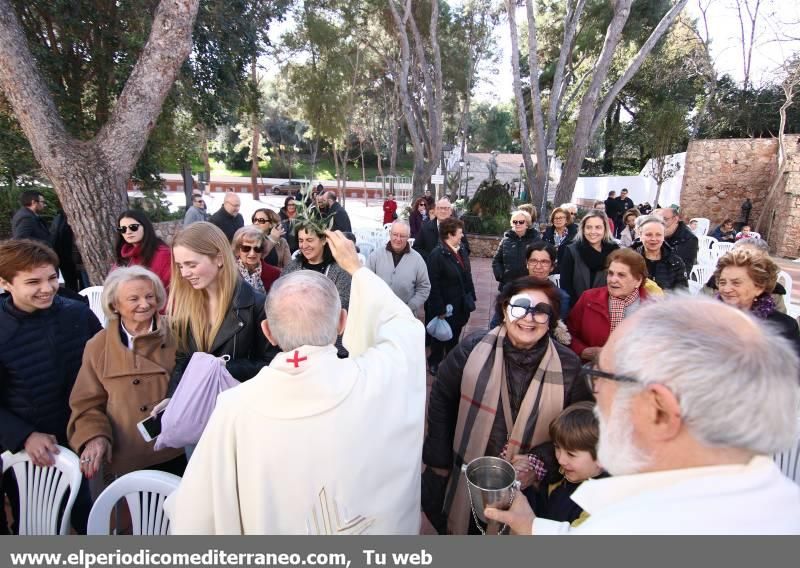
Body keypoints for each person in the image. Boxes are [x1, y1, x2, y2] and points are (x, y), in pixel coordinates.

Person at [166, 231, 426, 534]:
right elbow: (405, 328)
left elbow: (194, 514)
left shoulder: (234, 408)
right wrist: (357, 268)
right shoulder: (378, 378)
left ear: (268, 332)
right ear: (342, 321)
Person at [485, 296, 800, 534]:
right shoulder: (781, 506)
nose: (595, 396)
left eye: (601, 378)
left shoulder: (638, 525)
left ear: (659, 411)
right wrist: (535, 527)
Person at [422, 276, 592, 534]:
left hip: (528, 493)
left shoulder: (569, 367)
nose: (529, 318)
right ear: (504, 309)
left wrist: (539, 462)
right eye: (520, 306)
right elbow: (442, 401)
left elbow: (580, 428)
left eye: (541, 311)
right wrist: (439, 463)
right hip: (466, 475)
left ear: (551, 320)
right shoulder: (471, 349)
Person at [0, 239, 102, 534]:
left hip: (77, 431)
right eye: (33, 282)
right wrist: (23, 436)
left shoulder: (78, 314)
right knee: (38, 522)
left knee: (85, 511)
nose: (46, 288)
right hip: (29, 448)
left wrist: (96, 426)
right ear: (6, 283)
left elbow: (103, 372)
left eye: (51, 277)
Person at [67, 267, 185, 483]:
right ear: (115, 305)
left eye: (150, 296)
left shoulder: (179, 332)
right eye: (134, 298)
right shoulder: (98, 346)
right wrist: (95, 436)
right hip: (126, 455)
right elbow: (86, 403)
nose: (145, 304)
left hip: (176, 449)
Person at [159, 222, 272, 430]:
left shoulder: (258, 305)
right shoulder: (186, 305)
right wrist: (173, 398)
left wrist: (221, 368)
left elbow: (271, 364)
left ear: (219, 258)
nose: (184, 273)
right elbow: (184, 359)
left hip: (241, 420)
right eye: (180, 266)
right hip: (197, 417)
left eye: (191, 265)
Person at [528, 402, 606, 526]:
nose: (561, 460)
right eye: (557, 447)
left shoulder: (600, 505)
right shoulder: (560, 476)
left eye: (571, 454)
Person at [567, 248, 651, 361]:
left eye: (621, 275)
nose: (613, 280)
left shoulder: (653, 309)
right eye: (610, 273)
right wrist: (582, 351)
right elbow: (568, 334)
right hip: (591, 371)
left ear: (638, 280)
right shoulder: (588, 299)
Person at [282, 223, 352, 357]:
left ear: (324, 240)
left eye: (309, 240)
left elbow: (342, 304)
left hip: (330, 345)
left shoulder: (339, 271)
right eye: (301, 240)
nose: (304, 245)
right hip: (296, 343)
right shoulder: (292, 268)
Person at [715, 249, 800, 355]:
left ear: (759, 288)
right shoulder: (705, 319)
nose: (726, 289)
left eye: (736, 283)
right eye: (722, 282)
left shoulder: (784, 327)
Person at [425, 217, 476, 376]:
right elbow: (433, 284)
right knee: (440, 338)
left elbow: (467, 275)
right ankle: (434, 362)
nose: (462, 236)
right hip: (446, 307)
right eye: (460, 233)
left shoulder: (460, 250)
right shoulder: (437, 255)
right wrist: (439, 309)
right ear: (449, 234)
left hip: (460, 304)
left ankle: (450, 363)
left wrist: (471, 296)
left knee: (454, 336)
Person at [366, 221, 430, 315]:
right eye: (395, 234)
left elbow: (424, 287)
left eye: (402, 236)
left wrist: (411, 306)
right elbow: (366, 280)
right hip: (379, 313)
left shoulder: (417, 259)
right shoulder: (376, 255)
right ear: (390, 234)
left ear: (408, 237)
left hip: (406, 314)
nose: (398, 239)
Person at [559, 210, 619, 306]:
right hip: (576, 308)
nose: (593, 232)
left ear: (605, 229)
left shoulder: (615, 252)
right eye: (588, 227)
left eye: (598, 227)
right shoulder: (572, 250)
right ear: (583, 229)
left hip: (604, 309)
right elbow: (566, 284)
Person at [114, 209, 172, 291]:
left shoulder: (164, 254)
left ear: (145, 227)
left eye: (133, 227)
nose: (128, 232)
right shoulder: (123, 256)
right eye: (122, 229)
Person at [631, 216, 688, 291]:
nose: (654, 239)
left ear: (664, 236)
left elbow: (682, 292)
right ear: (640, 235)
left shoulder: (675, 262)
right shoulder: (629, 259)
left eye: (658, 235)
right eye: (648, 235)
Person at [492, 210, 541, 291]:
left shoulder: (535, 240)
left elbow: (539, 261)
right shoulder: (506, 240)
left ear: (527, 224)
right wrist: (501, 276)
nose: (518, 224)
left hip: (528, 285)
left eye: (521, 222)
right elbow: (496, 261)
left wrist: (533, 279)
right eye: (515, 221)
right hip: (508, 285)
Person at [526, 242, 570, 320]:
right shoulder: (511, 290)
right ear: (527, 263)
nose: (538, 266)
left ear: (552, 267)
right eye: (533, 261)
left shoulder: (560, 298)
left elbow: (557, 327)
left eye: (544, 262)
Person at [232, 226, 281, 295]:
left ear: (262, 250)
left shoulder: (275, 274)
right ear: (238, 250)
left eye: (257, 248)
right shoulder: (228, 273)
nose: (252, 253)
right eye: (246, 248)